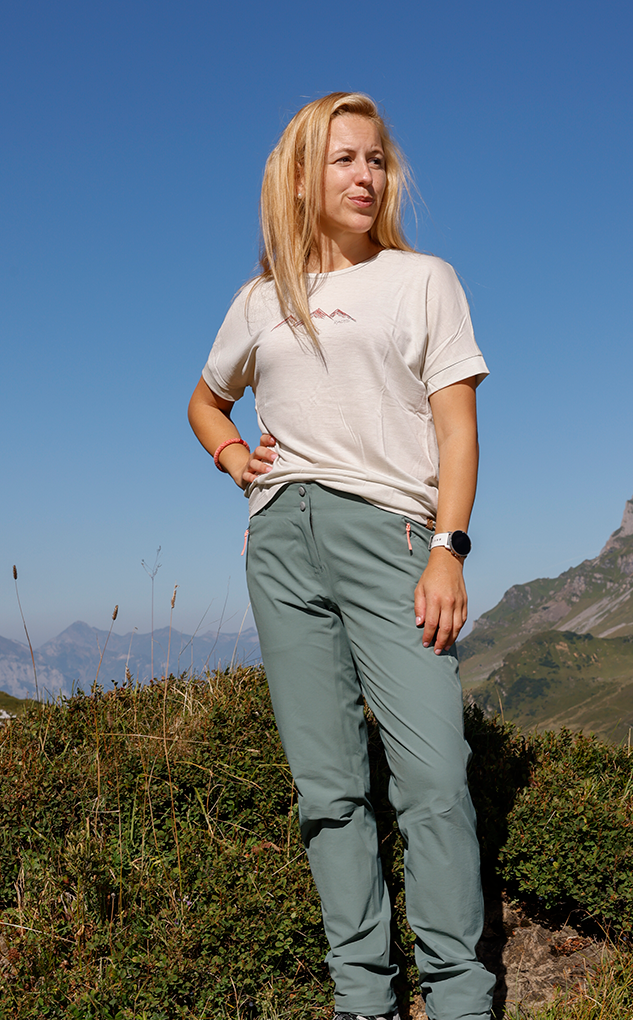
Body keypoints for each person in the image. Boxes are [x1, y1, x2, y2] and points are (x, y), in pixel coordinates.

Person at [188, 92, 494, 1020]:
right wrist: (236, 458)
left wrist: (448, 549)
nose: (367, 176)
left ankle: (459, 997)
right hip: (282, 543)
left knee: (434, 776)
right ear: (299, 178)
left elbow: (458, 430)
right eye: (345, 159)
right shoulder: (259, 300)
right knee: (328, 789)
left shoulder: (423, 280)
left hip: (391, 536)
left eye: (377, 160)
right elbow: (205, 399)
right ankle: (362, 995)